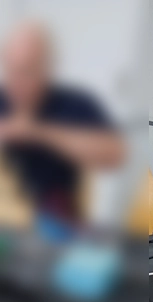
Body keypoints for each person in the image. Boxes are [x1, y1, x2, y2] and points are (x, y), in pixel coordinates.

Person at [0, 22, 124, 227]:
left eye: (28, 70)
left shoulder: (74, 102)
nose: (19, 80)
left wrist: (37, 132)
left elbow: (113, 154)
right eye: (13, 70)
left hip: (60, 219)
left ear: (47, 66)